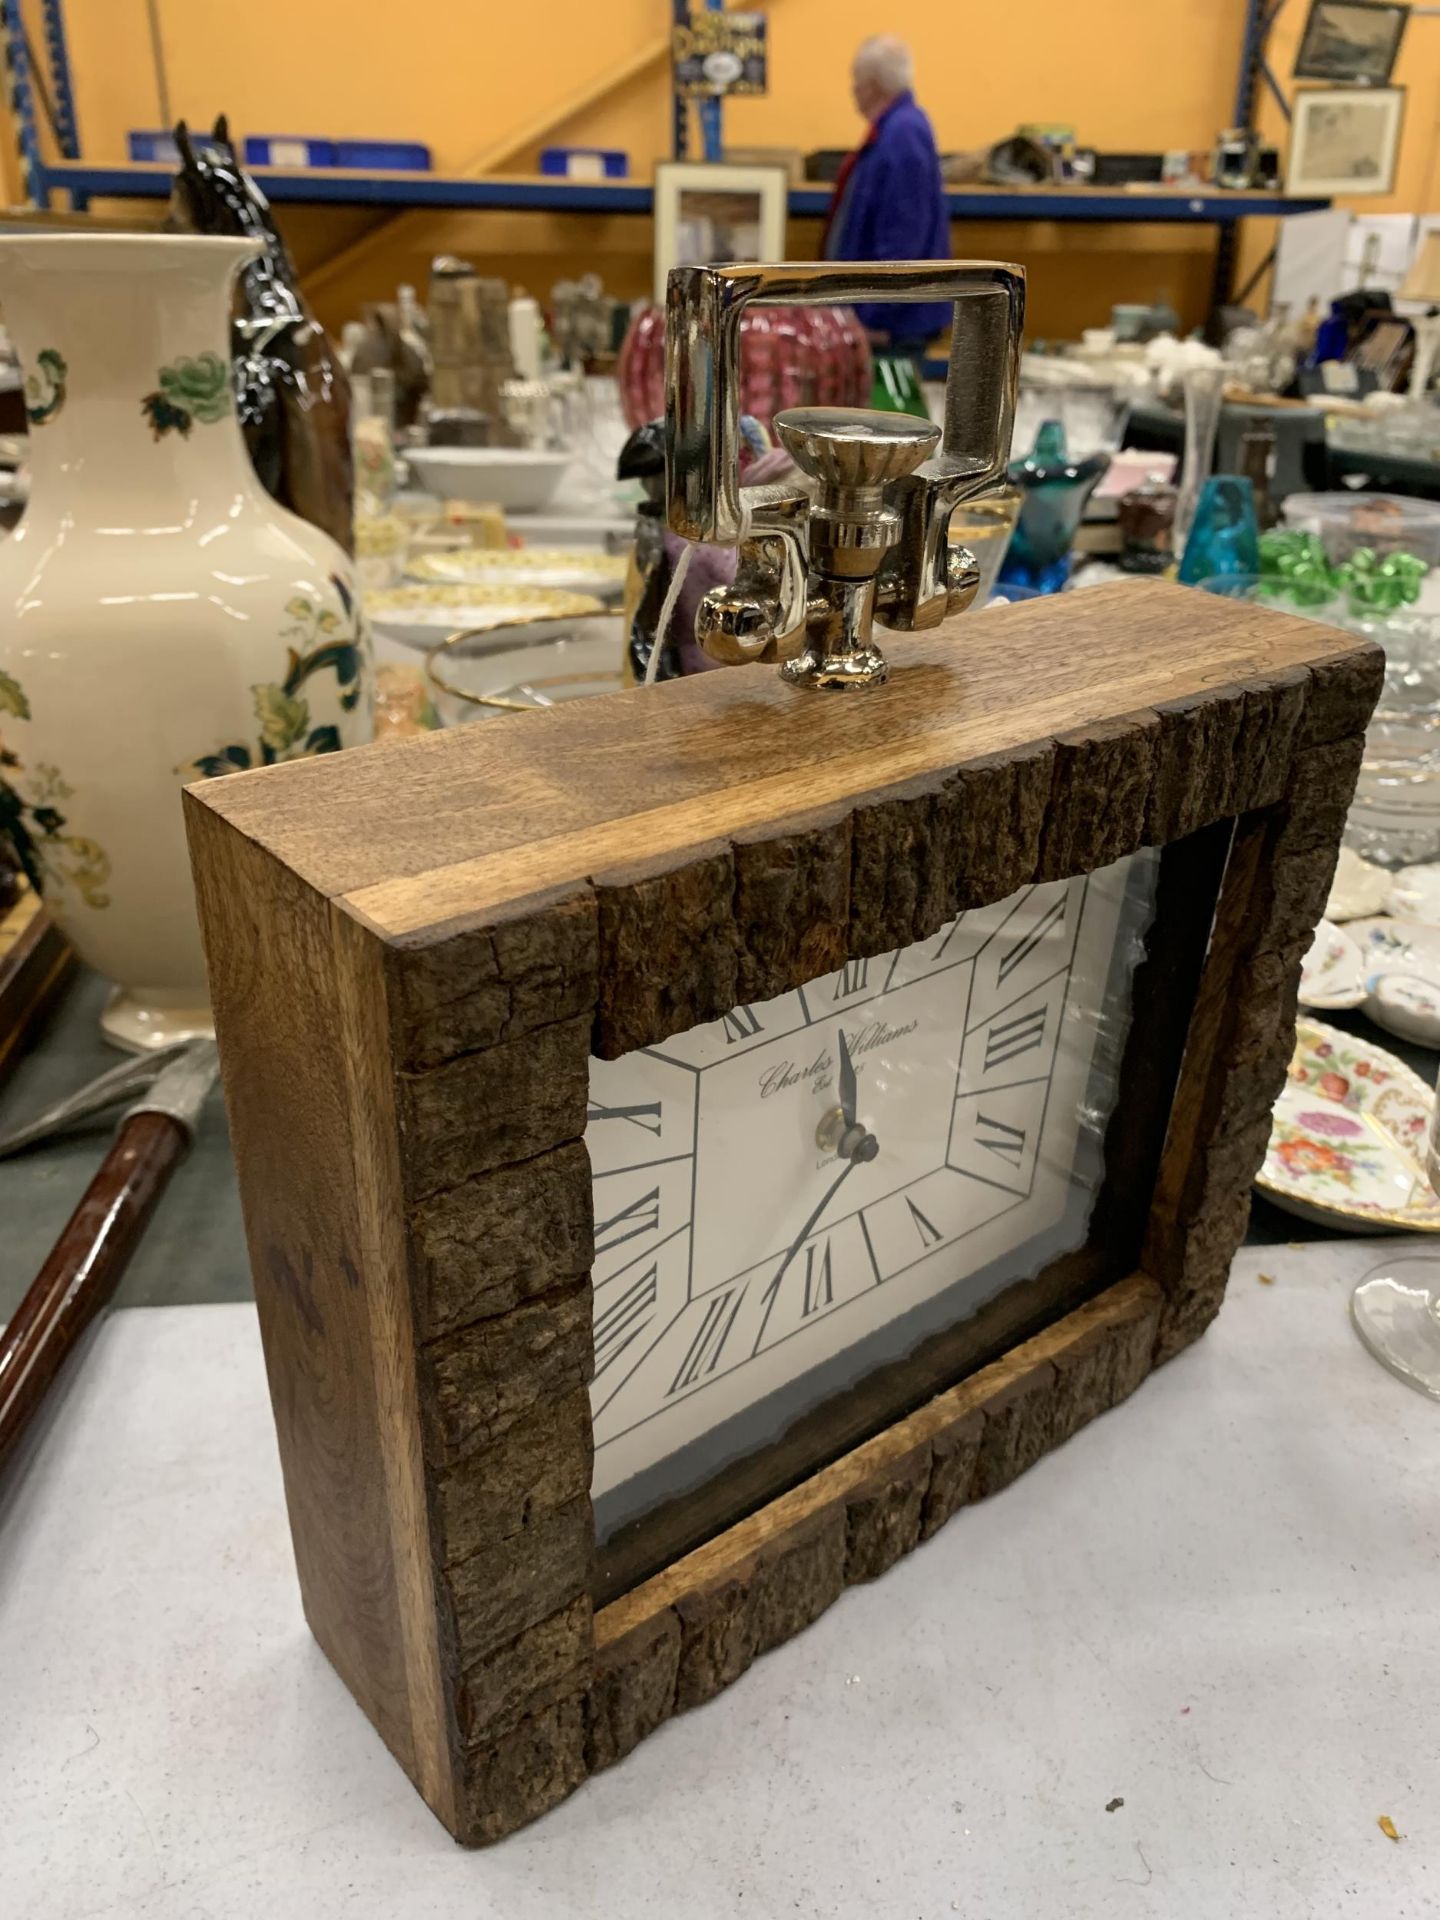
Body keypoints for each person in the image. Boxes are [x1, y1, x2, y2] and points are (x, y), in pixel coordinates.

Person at [823, 35, 952, 380]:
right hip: (884, 319)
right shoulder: (895, 131)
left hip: (891, 330)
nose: (853, 91)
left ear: (875, 84)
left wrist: (876, 315)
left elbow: (903, 237)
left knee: (887, 424)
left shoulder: (902, 134)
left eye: (857, 81)